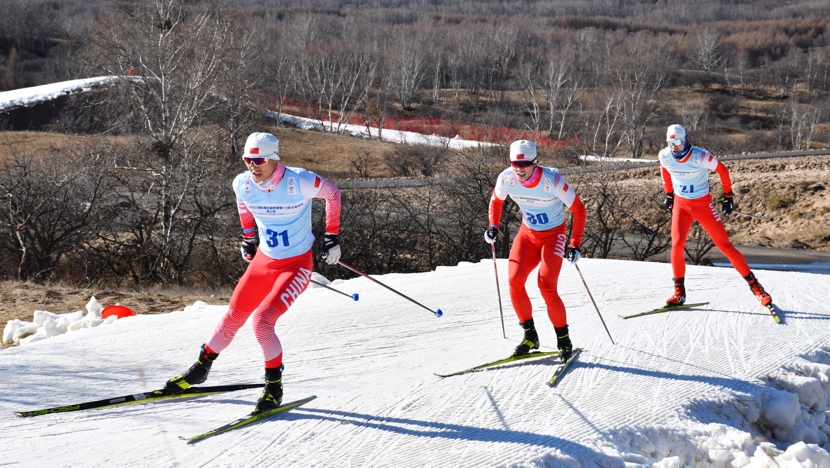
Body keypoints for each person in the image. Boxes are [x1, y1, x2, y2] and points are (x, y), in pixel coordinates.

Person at [161, 132, 343, 414]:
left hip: (295, 266)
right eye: (247, 159)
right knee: (233, 316)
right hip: (263, 262)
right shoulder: (242, 183)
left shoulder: (300, 181)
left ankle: (273, 387)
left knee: (262, 322)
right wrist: (248, 238)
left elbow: (333, 194)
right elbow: (243, 205)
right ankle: (200, 370)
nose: (252, 165)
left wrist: (332, 237)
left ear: (273, 159)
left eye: (258, 159)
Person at [485, 140, 587, 363]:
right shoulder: (507, 178)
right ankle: (530, 336)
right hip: (528, 234)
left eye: (525, 164)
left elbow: (579, 209)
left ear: (534, 163)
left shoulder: (552, 180)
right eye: (515, 163)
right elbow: (495, 201)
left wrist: (575, 243)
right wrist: (493, 225)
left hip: (554, 235)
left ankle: (564, 341)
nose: (519, 169)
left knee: (546, 285)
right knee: (514, 280)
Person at [659, 124, 772, 308]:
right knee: (677, 245)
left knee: (725, 245)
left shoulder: (700, 156)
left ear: (685, 140)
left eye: (678, 142)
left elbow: (723, 171)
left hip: (702, 204)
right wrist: (668, 194)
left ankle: (757, 289)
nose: (674, 147)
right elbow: (664, 169)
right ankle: (679, 293)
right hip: (681, 205)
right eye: (670, 142)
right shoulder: (664, 155)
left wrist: (728, 196)